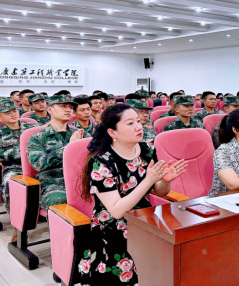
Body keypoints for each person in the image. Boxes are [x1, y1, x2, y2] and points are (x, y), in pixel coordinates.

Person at [78, 104, 187, 284]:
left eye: (138, 121)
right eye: (130, 123)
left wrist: (166, 181)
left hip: (144, 216)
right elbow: (116, 211)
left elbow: (159, 191)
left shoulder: (147, 150)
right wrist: (148, 181)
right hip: (113, 225)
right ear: (112, 132)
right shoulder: (102, 161)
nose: (138, 127)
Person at [27, 95, 89, 211]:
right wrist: (69, 147)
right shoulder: (38, 137)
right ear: (49, 109)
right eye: (63, 106)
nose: (68, 110)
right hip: (53, 182)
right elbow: (38, 164)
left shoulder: (81, 134)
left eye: (70, 107)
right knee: (61, 200)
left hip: (80, 179)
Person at [0, 99, 36, 222]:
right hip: (14, 167)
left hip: (36, 165)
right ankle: (17, 220)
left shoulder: (32, 128)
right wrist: (19, 152)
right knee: (10, 183)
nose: (13, 114)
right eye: (7, 113)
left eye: (14, 111)